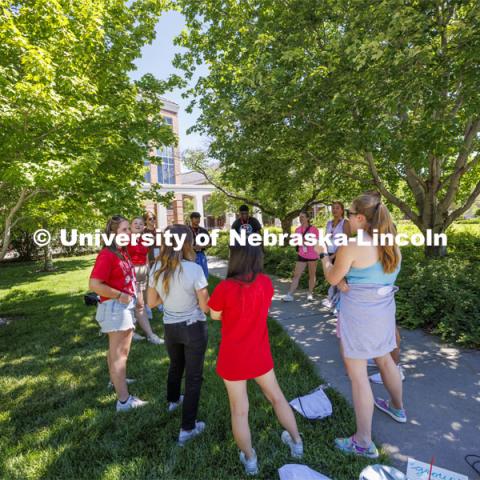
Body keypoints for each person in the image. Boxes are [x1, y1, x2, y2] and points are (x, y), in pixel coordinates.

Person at [316, 192, 406, 459]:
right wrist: (347, 281)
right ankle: (397, 407)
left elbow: (332, 278)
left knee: (358, 378)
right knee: (387, 361)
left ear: (359, 217)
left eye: (350, 214)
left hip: (358, 316)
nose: (346, 219)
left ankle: (363, 441)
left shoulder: (353, 245)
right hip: (384, 313)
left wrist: (324, 257)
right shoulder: (393, 244)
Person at [208, 244, 303, 476]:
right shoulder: (265, 283)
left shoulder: (224, 288)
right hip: (259, 354)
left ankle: (250, 459)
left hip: (233, 359)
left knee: (239, 410)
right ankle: (297, 443)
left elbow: (214, 314)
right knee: (278, 398)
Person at [147, 225, 209, 446]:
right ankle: (187, 428)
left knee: (175, 365)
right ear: (187, 244)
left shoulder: (157, 269)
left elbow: (151, 303)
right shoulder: (194, 270)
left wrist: (169, 295)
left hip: (170, 328)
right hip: (193, 328)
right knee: (193, 377)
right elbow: (205, 306)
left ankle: (173, 401)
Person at [89, 215, 148, 412]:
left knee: (115, 353)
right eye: (124, 230)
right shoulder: (107, 254)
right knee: (119, 355)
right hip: (116, 308)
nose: (129, 233)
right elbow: (94, 284)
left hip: (121, 306)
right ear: (113, 234)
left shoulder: (121, 252)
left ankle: (116, 381)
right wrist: (121, 295)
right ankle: (124, 401)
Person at [128, 216, 164, 345]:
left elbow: (145, 257)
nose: (138, 225)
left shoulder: (144, 240)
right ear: (131, 226)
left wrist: (149, 272)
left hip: (142, 273)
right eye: (135, 223)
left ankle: (136, 331)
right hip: (130, 274)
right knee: (134, 303)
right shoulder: (125, 239)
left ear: (144, 227)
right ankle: (146, 334)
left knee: (139, 303)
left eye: (140, 224)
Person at [282, 210, 320, 302]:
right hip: (302, 254)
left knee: (311, 275)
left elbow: (316, 242)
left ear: (307, 218)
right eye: (299, 217)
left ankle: (310, 294)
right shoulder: (297, 230)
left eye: (302, 217)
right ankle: (290, 294)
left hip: (312, 255)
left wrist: (304, 241)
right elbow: (296, 242)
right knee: (296, 275)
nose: (300, 218)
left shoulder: (314, 229)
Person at [189, 211, 211, 278]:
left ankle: (203, 288)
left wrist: (202, 246)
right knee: (192, 276)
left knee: (204, 275)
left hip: (201, 255)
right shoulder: (187, 230)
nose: (197, 220)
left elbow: (210, 243)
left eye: (199, 218)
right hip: (190, 256)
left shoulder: (203, 231)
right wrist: (192, 247)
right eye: (195, 218)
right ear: (191, 219)